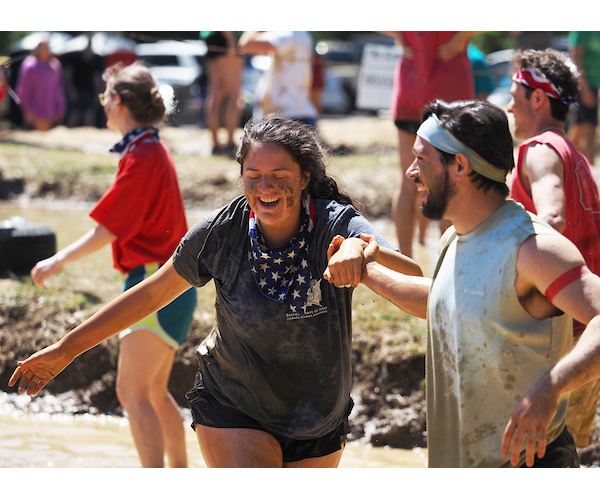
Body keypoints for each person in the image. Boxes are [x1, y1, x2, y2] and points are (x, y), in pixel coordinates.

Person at [10, 114, 422, 468]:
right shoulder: (221, 232)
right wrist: (66, 349)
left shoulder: (334, 223)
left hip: (317, 415)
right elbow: (151, 295)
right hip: (235, 403)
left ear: (305, 177)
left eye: (280, 177)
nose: (266, 189)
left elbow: (411, 271)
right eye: (254, 177)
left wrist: (361, 251)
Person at [326, 98, 600, 467]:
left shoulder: (534, 248)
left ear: (460, 165)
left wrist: (551, 387)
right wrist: (366, 271)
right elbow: (442, 298)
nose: (410, 172)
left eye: (421, 159)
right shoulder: (455, 237)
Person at [25, 62, 197, 468]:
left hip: (154, 286)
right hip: (170, 286)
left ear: (118, 102)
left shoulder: (143, 153)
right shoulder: (149, 147)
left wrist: (57, 260)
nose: (102, 104)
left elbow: (111, 228)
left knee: (131, 393)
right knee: (154, 392)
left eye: (105, 97)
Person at [508, 47, 600, 450]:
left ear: (538, 99)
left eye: (513, 99)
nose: (509, 110)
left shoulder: (539, 150)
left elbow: (553, 217)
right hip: (588, 350)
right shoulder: (575, 155)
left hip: (554, 347)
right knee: (566, 462)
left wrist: (502, 277)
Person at [378, 31, 482, 259]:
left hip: (412, 89)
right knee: (450, 181)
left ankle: (405, 266)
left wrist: (399, 35)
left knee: (408, 183)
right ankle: (449, 264)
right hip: (450, 90)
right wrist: (461, 36)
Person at [238, 31, 318, 127]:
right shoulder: (298, 34)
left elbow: (245, 44)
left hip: (288, 118)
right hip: (292, 116)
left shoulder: (290, 33)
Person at [200, 31, 244, 156]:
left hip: (211, 38)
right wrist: (231, 41)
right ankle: (230, 143)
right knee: (233, 94)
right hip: (227, 40)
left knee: (215, 92)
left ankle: (215, 143)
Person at [15, 39, 66, 131]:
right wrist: (27, 109)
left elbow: (58, 89)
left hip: (51, 110)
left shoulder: (54, 65)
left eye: (46, 47)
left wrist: (60, 108)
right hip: (36, 110)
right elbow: (24, 89)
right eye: (41, 47)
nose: (44, 50)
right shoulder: (30, 65)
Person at [567, 31, 600, 165]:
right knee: (583, 126)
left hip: (595, 84)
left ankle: (588, 167)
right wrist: (585, 88)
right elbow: (575, 56)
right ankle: (565, 159)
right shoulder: (583, 30)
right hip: (584, 84)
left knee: (589, 126)